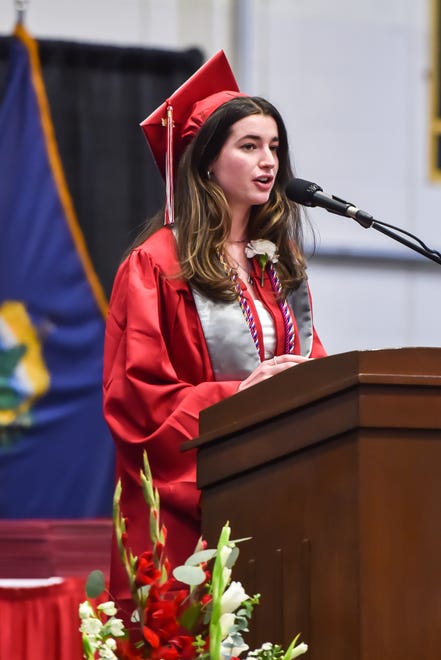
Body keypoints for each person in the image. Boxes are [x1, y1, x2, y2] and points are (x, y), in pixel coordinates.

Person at [103, 51, 327, 613]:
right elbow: (139, 402)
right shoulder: (157, 266)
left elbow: (311, 362)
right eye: (248, 146)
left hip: (279, 494)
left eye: (274, 147)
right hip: (191, 516)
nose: (268, 161)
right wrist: (238, 397)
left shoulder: (279, 263)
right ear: (206, 162)